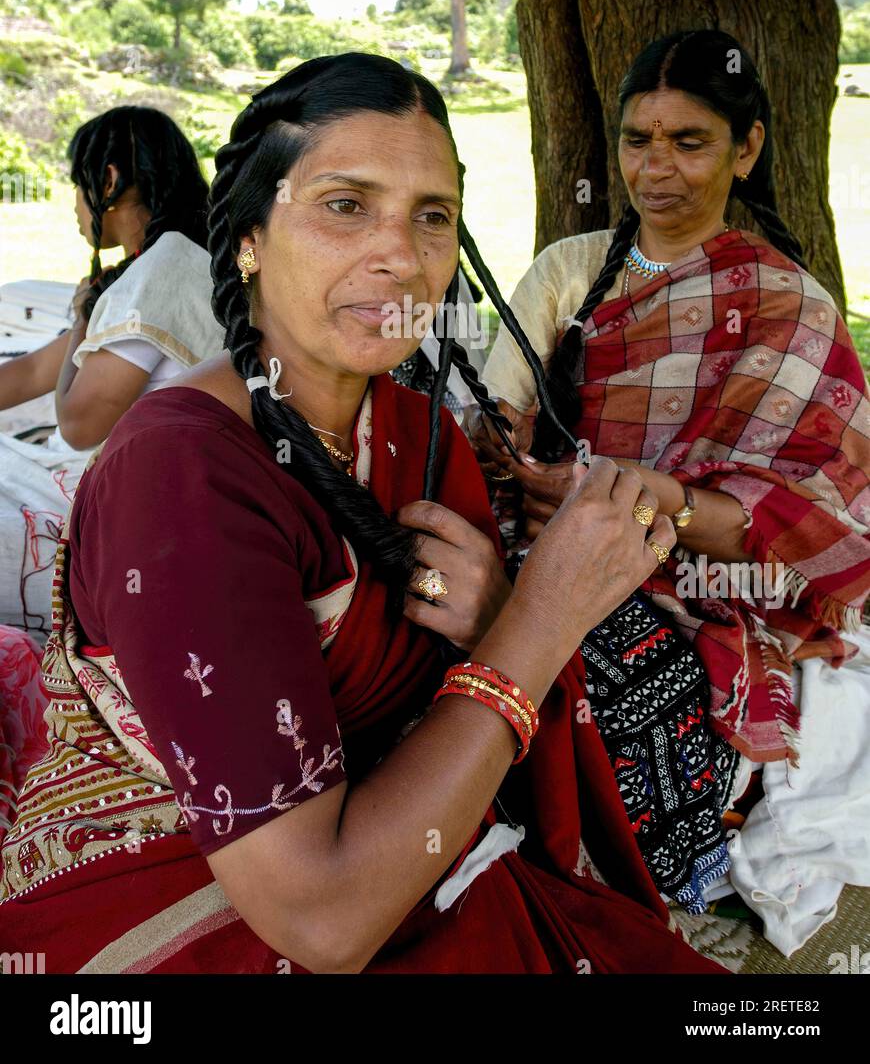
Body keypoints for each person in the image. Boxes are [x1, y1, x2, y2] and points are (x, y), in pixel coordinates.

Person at [0, 52, 724, 974]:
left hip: (425, 853)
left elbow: (466, 682)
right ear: (251, 237)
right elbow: (324, 922)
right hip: (201, 906)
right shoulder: (179, 474)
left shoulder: (416, 430)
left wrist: (501, 612)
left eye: (433, 217)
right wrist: (541, 616)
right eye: (346, 206)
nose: (402, 256)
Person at [472, 29, 870, 920]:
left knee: (608, 675)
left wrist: (640, 498)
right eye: (638, 140)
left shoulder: (787, 300)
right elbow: (492, 424)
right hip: (539, 542)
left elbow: (795, 518)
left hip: (706, 589)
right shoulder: (570, 272)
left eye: (690, 142)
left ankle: (626, 869)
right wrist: (515, 464)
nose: (658, 168)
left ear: (748, 147)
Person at [0, 106, 225, 635]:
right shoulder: (174, 261)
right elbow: (34, 371)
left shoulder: (163, 271)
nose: (75, 208)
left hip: (153, 507)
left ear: (109, 180)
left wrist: (81, 321)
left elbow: (77, 426)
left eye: (78, 186)